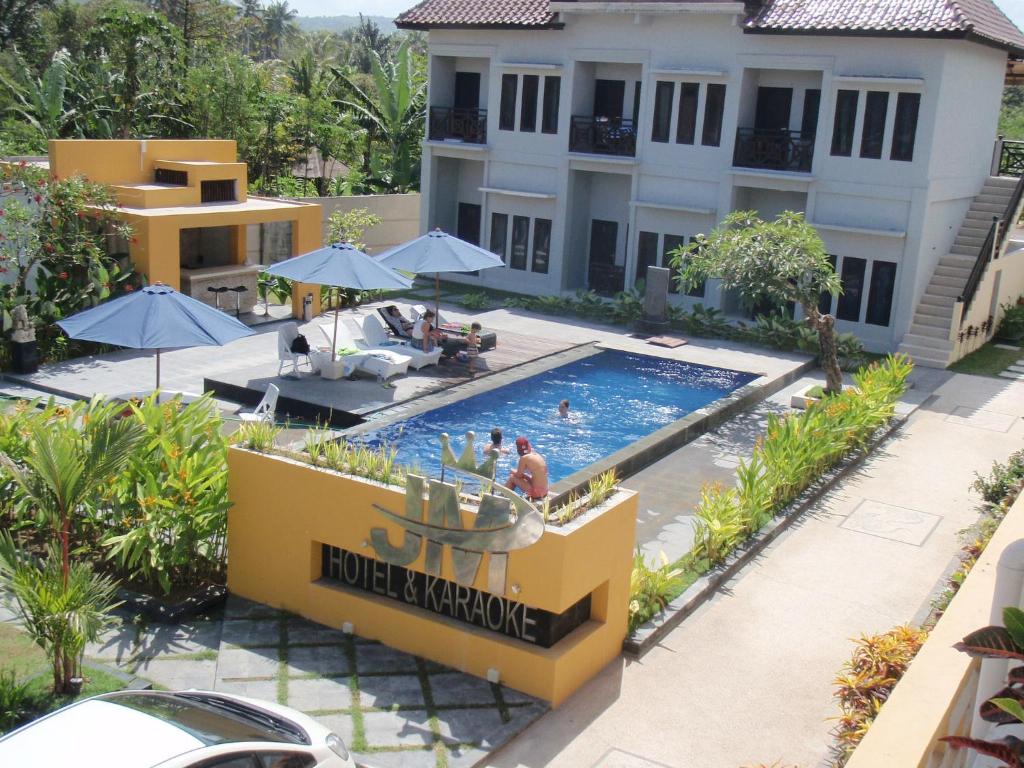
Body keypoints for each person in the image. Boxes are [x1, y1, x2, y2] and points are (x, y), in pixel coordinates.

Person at [506, 436, 549, 502]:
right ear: (528, 445)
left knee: (512, 477)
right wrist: (525, 476)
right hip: (545, 491)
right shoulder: (536, 455)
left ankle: (503, 497)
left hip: (536, 493)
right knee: (525, 477)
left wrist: (513, 471)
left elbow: (518, 475)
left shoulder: (524, 458)